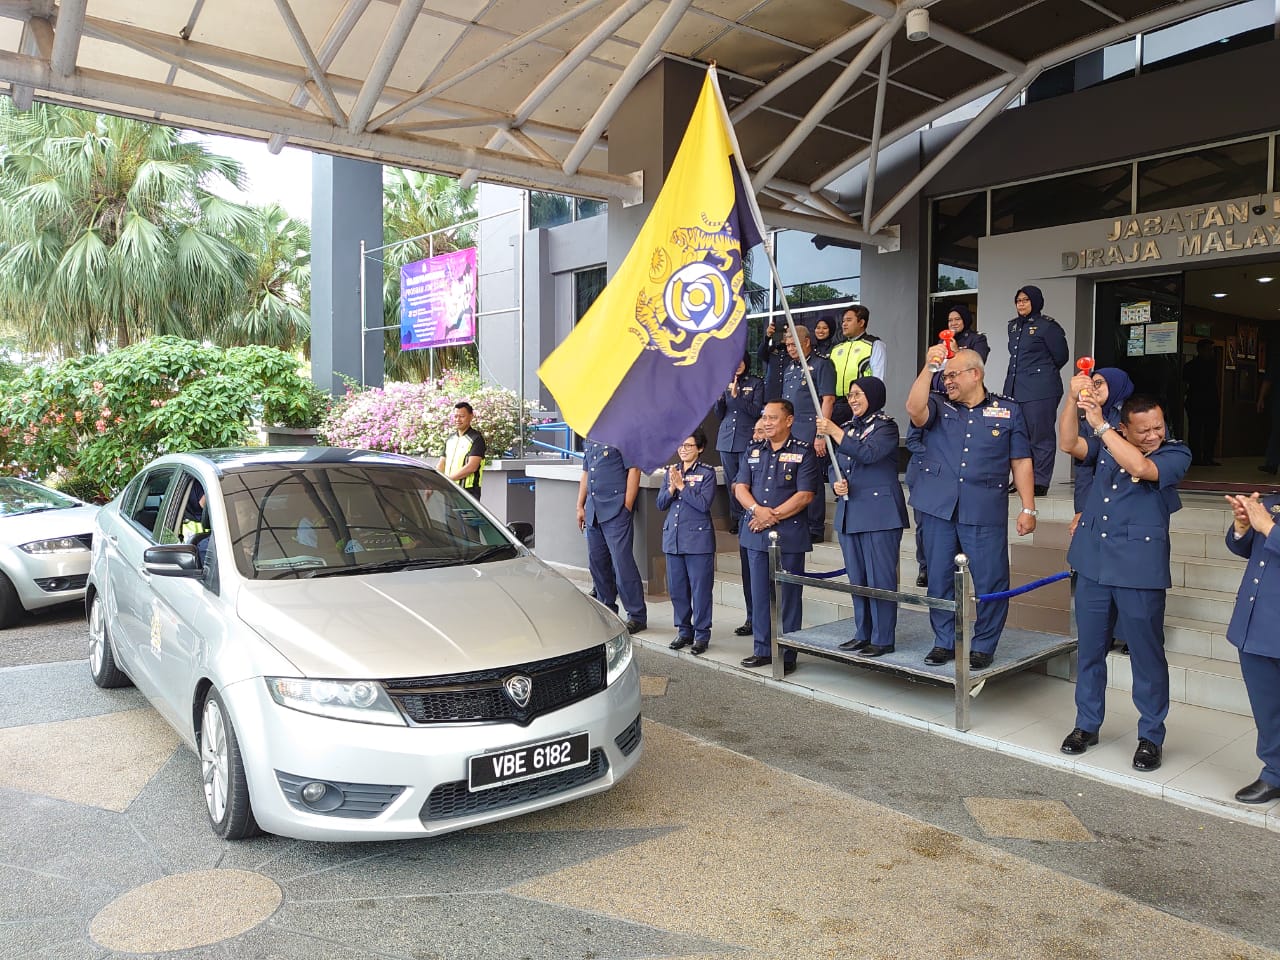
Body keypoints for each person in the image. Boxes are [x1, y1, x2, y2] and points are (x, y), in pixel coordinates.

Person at [1057, 389, 1191, 772]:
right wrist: (1073, 402)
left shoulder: (1175, 453)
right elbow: (1068, 441)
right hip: (1094, 562)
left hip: (1139, 569)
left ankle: (1150, 736)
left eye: (1158, 427)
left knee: (1147, 656)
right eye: (1144, 429)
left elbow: (1144, 469)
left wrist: (1100, 426)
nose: (1153, 435)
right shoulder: (1107, 441)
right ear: (1125, 428)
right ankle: (1086, 724)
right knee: (1091, 650)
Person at [906, 346, 1037, 669]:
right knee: (939, 578)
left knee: (991, 579)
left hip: (984, 508)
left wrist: (1028, 507)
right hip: (939, 508)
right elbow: (914, 408)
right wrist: (928, 367)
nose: (947, 381)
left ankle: (984, 644)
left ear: (975, 374)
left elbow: (1020, 460)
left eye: (953, 374)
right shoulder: (937, 405)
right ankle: (944, 640)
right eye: (945, 375)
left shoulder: (1008, 411)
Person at [816, 375, 907, 656]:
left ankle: (882, 638)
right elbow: (835, 463)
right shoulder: (846, 428)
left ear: (874, 396)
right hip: (850, 510)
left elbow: (868, 454)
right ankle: (863, 632)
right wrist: (836, 480)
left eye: (859, 394)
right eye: (851, 395)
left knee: (880, 578)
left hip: (880, 514)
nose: (853, 400)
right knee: (858, 577)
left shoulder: (886, 428)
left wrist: (833, 431)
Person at [733, 399, 819, 674]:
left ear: (789, 420)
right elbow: (739, 487)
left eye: (773, 418)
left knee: (788, 596)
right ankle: (762, 649)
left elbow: (805, 495)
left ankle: (789, 651)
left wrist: (771, 516)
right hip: (756, 533)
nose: (767, 423)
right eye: (764, 418)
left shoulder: (803, 452)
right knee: (759, 594)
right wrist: (758, 510)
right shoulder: (754, 449)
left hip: (789, 534)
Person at [1223, 491, 1280, 804]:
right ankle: (1274, 773)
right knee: (1267, 709)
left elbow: (1270, 534)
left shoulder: (1269, 514)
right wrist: (1243, 525)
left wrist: (1268, 526)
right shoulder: (1272, 502)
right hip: (1256, 623)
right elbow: (1244, 548)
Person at [1004, 285, 1068, 495]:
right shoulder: (1013, 326)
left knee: (1040, 435)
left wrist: (1040, 375)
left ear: (1036, 302)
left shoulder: (1048, 326)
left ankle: (1039, 482)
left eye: (1025, 300)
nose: (1021, 304)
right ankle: (1021, 480)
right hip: (1015, 388)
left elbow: (1061, 357)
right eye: (1018, 300)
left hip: (1041, 389)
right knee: (1018, 436)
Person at [577, 439, 647, 633]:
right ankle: (606, 608)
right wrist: (580, 506)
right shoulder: (590, 437)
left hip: (616, 509)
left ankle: (637, 615)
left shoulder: (622, 435)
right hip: (594, 510)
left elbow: (634, 470)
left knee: (622, 563)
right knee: (597, 562)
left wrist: (627, 506)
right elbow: (585, 473)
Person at [657, 430, 717, 655]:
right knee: (677, 589)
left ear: (699, 449)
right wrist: (672, 487)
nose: (683, 449)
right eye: (681, 445)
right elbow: (661, 503)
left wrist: (682, 487)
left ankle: (701, 634)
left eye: (689, 446)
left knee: (700, 590)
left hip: (698, 540)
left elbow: (703, 504)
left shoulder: (707, 473)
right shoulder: (671, 472)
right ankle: (684, 631)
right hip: (673, 538)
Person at [780, 325, 835, 543]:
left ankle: (815, 526)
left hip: (810, 429)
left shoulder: (821, 365)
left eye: (794, 344)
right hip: (791, 431)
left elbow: (828, 400)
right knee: (792, 479)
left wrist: (821, 435)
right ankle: (799, 520)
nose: (790, 348)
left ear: (806, 342)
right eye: (788, 345)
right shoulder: (790, 368)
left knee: (811, 479)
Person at [1068, 368, 1134, 537]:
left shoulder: (1134, 414)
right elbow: (1083, 466)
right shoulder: (1089, 417)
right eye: (1091, 384)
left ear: (1115, 383)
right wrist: (1081, 510)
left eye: (1098, 383)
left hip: (1130, 500)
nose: (1093, 388)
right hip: (1099, 499)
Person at [715, 353, 764, 533]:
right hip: (727, 439)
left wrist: (737, 397)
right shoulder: (724, 382)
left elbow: (756, 411)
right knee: (731, 482)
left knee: (746, 481)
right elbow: (720, 415)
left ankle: (749, 516)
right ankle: (736, 519)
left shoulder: (756, 383)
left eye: (740, 361)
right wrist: (720, 398)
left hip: (746, 439)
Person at [732, 415, 770, 638]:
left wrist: (764, 512)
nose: (756, 436)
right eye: (755, 432)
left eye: (761, 432)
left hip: (772, 522)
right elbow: (737, 484)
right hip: (749, 522)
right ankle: (751, 617)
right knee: (749, 577)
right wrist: (754, 507)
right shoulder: (751, 454)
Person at [829, 305, 886, 425]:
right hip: (837, 404)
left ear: (861, 322)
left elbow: (877, 378)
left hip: (860, 403)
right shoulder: (836, 348)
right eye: (843, 321)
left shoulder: (874, 344)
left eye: (849, 320)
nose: (844, 324)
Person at [1183, 338, 1220, 467]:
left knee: (1211, 431)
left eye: (1212, 350)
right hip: (1196, 402)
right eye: (1208, 350)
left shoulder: (1213, 365)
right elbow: (1184, 384)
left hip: (1211, 402)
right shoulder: (1191, 366)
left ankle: (1208, 457)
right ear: (1200, 350)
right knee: (1195, 431)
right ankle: (1196, 458)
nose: (1210, 353)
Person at [437, 401, 486, 496]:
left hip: (468, 491)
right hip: (449, 489)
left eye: (462, 416)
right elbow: (442, 463)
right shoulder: (450, 439)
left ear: (471, 416)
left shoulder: (476, 438)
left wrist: (448, 479)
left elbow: (472, 467)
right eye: (455, 416)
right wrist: (434, 482)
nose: (458, 419)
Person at [757, 318, 791, 402]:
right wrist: (767, 336)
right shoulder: (771, 350)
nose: (783, 336)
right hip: (771, 394)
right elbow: (760, 353)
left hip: (787, 394)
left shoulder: (792, 351)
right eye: (780, 333)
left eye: (785, 333)